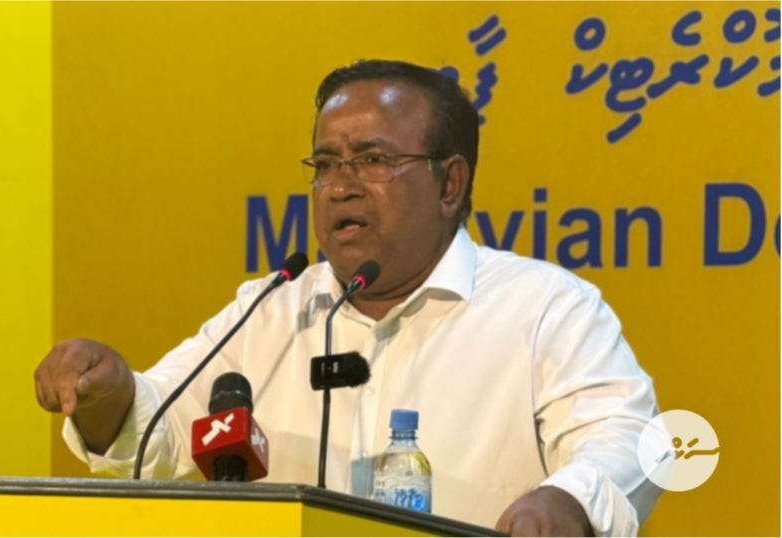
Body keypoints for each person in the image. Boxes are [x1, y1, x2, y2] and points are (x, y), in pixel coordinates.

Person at [35, 60, 661, 538]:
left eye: (372, 160)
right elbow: (156, 439)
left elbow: (627, 436)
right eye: (326, 164)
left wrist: (568, 499)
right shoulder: (272, 309)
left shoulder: (547, 308)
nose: (340, 187)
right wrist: (110, 396)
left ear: (450, 182)